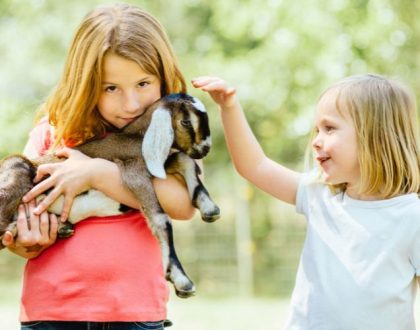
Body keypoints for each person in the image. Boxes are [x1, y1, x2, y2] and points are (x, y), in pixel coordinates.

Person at [2, 4, 197, 330]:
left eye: (143, 84)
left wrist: (97, 173)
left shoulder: (165, 136)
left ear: (163, 77)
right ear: (85, 83)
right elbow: (23, 218)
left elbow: (184, 203)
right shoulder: (53, 133)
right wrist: (24, 243)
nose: (131, 104)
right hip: (53, 312)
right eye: (111, 88)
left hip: (133, 313)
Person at [192, 74, 420, 329]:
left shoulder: (411, 217)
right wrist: (229, 107)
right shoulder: (319, 194)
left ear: (375, 136)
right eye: (317, 130)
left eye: (330, 128)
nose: (316, 140)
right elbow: (254, 166)